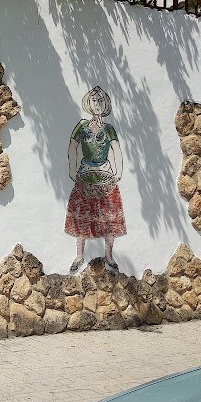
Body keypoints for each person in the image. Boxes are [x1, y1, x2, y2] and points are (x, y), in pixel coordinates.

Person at [65, 86, 126, 274]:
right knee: (82, 215)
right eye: (94, 101)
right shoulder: (82, 126)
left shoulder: (108, 129)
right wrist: (72, 169)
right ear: (89, 103)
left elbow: (116, 150)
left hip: (105, 173)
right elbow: (72, 146)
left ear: (105, 103)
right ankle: (79, 255)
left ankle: (109, 256)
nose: (97, 104)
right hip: (85, 173)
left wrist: (118, 172)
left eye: (100, 101)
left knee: (108, 217)